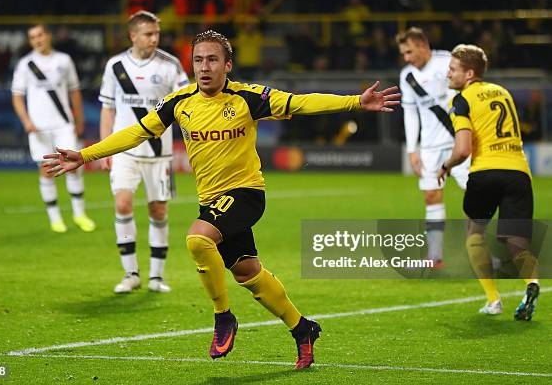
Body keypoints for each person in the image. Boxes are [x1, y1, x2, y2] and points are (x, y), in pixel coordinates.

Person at [43, 30, 400, 369]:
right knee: (248, 273)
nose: (204, 67)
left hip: (246, 193)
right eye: (198, 60)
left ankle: (223, 317)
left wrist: (355, 101)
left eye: (213, 60)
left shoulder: (248, 98)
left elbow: (301, 103)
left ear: (227, 65)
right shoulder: (179, 102)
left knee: (198, 239)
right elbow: (137, 132)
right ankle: (301, 327)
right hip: (212, 200)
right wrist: (86, 154)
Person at [437, 44, 540, 320]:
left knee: (474, 234)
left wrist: (446, 166)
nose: (448, 74)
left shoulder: (461, 100)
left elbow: (463, 149)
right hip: (519, 172)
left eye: (453, 69)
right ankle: (532, 283)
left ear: (469, 74)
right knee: (517, 243)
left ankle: (493, 300)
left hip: (486, 172)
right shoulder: (503, 92)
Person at [99, 11, 189, 294]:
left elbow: (187, 106)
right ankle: (131, 273)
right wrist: (104, 149)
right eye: (148, 34)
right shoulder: (115, 66)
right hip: (124, 150)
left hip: (159, 153)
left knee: (158, 210)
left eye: (157, 34)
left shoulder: (170, 65)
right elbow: (108, 108)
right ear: (133, 35)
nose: (154, 39)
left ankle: (157, 277)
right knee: (123, 205)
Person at [396, 27, 470, 268]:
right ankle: (435, 256)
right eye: (403, 54)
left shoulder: (447, 63)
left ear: (421, 45)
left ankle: (480, 250)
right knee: (431, 195)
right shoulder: (407, 75)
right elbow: (410, 113)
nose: (406, 58)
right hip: (429, 147)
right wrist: (412, 150)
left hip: (457, 142)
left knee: (476, 196)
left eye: (408, 52)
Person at [12, 24, 96, 233]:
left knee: (73, 166)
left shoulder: (63, 60)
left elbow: (74, 92)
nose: (37, 39)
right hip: (38, 128)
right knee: (46, 171)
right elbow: (17, 96)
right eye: (32, 37)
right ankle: (55, 218)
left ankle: (79, 214)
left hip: (63, 124)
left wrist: (79, 121)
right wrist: (26, 121)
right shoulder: (25, 64)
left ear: (48, 36)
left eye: (40, 35)